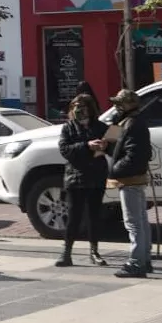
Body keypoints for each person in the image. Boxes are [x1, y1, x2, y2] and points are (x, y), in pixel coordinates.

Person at [56, 93, 110, 268]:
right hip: (76, 177)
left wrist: (106, 145)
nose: (78, 110)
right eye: (75, 107)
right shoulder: (68, 128)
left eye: (82, 106)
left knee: (94, 215)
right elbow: (65, 149)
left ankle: (94, 251)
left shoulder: (101, 127)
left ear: (90, 108)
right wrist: (87, 146)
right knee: (74, 216)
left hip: (96, 176)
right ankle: (66, 252)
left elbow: (113, 148)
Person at [107, 89, 154, 279]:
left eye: (119, 103)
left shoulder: (133, 124)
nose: (116, 107)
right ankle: (144, 259)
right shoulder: (126, 121)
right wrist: (112, 127)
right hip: (133, 178)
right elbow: (111, 146)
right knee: (140, 220)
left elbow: (134, 156)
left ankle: (136, 262)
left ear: (128, 105)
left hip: (130, 179)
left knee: (134, 223)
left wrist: (114, 170)